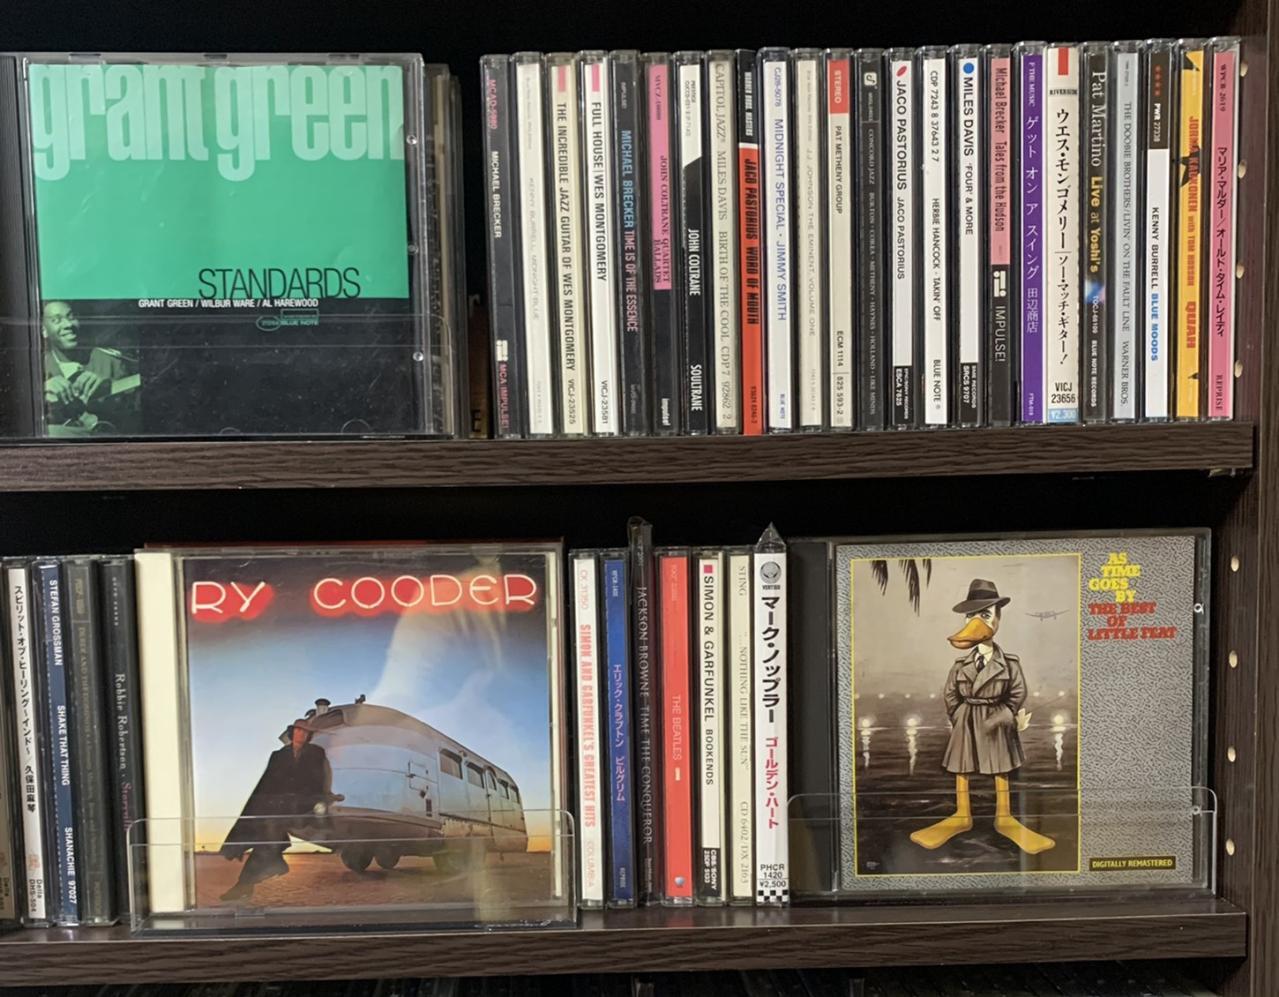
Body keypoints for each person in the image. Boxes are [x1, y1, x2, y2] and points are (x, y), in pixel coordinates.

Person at [909, 578, 1056, 855]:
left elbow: (1017, 692)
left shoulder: (1009, 663)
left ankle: (1005, 818)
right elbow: (950, 694)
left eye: (985, 615)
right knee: (962, 767)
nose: (976, 622)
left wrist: (1005, 716)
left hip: (997, 719)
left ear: (997, 619)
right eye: (971, 616)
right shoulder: (960, 665)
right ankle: (961, 815)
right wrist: (959, 717)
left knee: (1000, 767)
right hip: (966, 720)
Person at [218, 717, 340, 902]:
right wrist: (259, 805)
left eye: (305, 732)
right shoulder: (278, 755)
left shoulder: (316, 752)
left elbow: (322, 776)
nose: (302, 734)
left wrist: (325, 796)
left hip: (305, 805)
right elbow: (267, 781)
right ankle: (245, 885)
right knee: (266, 840)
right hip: (280, 806)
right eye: (298, 730)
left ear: (309, 735)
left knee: (269, 837)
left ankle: (260, 875)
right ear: (292, 732)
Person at [41, 300, 139, 436]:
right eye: (56, 320)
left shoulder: (110, 361)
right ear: (44, 330)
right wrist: (40, 393)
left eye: (71, 317)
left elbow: (135, 414)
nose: (68, 324)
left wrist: (109, 388)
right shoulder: (37, 369)